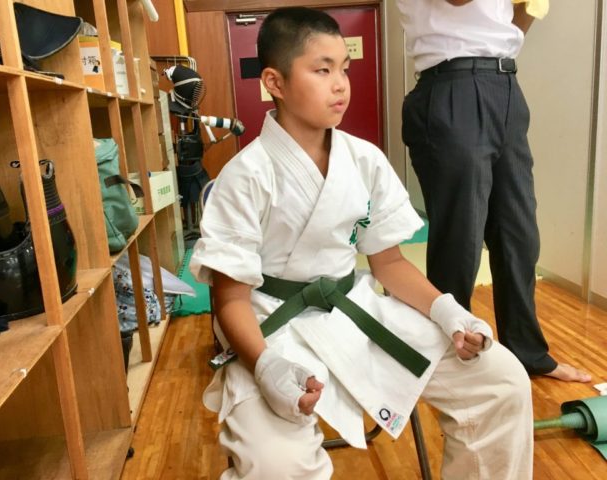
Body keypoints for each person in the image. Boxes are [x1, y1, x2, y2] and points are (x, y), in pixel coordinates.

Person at [191, 7, 533, 479]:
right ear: (275, 82)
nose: (340, 85)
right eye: (322, 70)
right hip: (271, 329)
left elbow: (388, 263)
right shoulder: (245, 175)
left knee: (501, 381)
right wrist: (266, 367)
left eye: (344, 69)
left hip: (356, 313)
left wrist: (447, 312)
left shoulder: (364, 159)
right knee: (275, 465)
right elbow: (229, 299)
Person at [396, 0, 591, 383]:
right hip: (451, 83)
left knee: (519, 234)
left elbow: (521, 17)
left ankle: (528, 354)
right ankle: (449, 356)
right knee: (460, 240)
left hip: (504, 83)